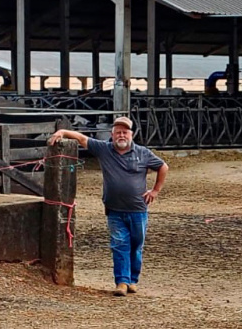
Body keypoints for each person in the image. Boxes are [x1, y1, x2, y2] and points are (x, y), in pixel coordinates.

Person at [48, 116, 169, 297]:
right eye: (118, 132)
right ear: (111, 135)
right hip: (114, 209)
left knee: (136, 245)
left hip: (138, 209)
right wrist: (63, 132)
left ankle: (132, 280)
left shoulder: (143, 153)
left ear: (131, 134)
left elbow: (163, 166)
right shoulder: (105, 149)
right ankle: (121, 281)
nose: (121, 135)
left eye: (125, 132)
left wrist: (155, 190)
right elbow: (81, 139)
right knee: (120, 244)